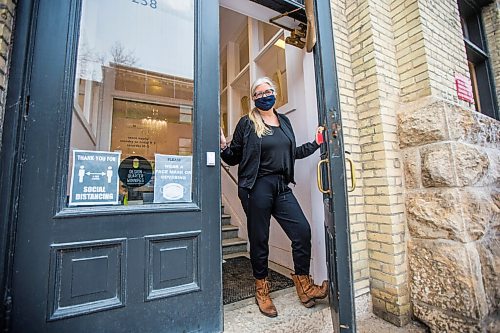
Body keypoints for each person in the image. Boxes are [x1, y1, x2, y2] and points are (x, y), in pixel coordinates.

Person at [220, 77, 328, 318]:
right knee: (260, 239)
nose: (264, 95)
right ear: (253, 98)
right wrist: (223, 146)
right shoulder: (247, 123)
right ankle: (262, 289)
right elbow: (232, 158)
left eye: (268, 91)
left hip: (281, 187)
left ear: (275, 92)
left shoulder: (284, 121)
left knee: (302, 231)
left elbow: (292, 153)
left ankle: (304, 285)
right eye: (258, 93)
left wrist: (316, 144)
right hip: (256, 187)